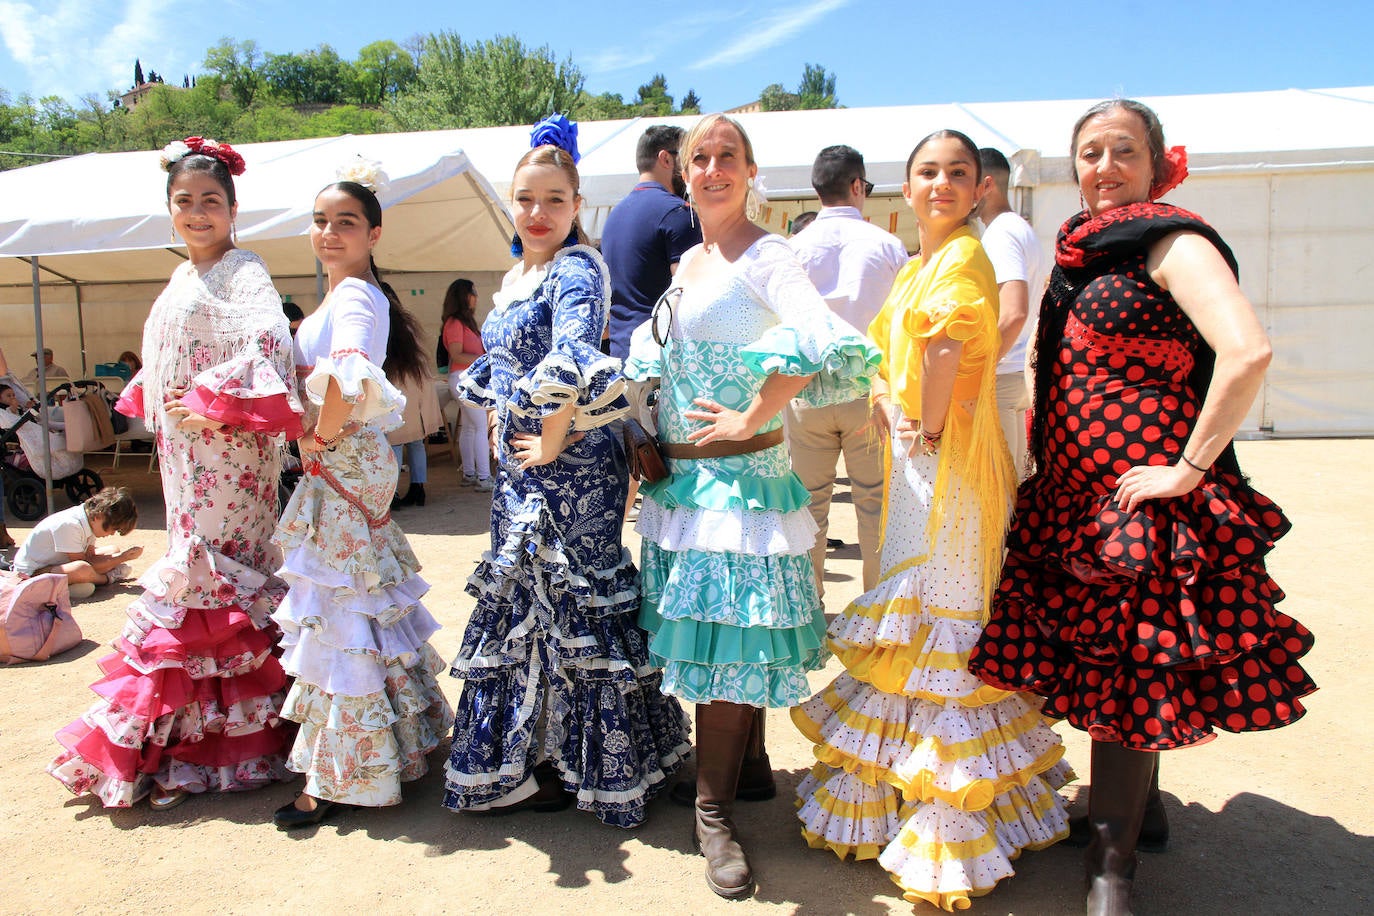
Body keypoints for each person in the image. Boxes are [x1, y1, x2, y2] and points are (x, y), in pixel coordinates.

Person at [967, 100, 1316, 915]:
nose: (1104, 166)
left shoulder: (1173, 242)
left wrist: (1186, 470)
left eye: (1123, 151)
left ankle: (1109, 866)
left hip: (1142, 509)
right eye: (1089, 153)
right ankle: (1140, 809)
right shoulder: (1086, 253)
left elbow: (1247, 351)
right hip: (1078, 500)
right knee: (1106, 668)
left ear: (1159, 164)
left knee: (1127, 670)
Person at [792, 129, 1071, 909]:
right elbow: (886, 351)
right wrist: (888, 401)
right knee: (926, 612)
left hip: (949, 464)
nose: (942, 184)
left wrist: (934, 423)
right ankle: (918, 795)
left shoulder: (962, 259)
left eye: (957, 173)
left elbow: (946, 346)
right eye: (928, 172)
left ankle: (946, 813)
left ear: (979, 186)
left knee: (939, 616)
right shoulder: (917, 263)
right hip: (924, 457)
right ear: (904, 189)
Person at [627, 113, 879, 899]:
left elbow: (820, 337)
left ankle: (713, 815)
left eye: (725, 157)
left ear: (751, 170)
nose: (710, 170)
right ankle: (752, 770)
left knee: (731, 643)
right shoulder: (691, 257)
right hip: (683, 483)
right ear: (683, 170)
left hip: (738, 483)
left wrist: (757, 413)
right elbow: (659, 350)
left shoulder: (768, 253)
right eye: (698, 158)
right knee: (726, 639)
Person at [443, 115, 689, 828]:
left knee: (574, 602)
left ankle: (597, 762)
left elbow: (578, 355)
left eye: (553, 200)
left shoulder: (578, 268)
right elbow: (507, 365)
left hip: (572, 467)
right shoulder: (519, 273)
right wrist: (505, 423)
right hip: (525, 469)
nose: (537, 213)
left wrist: (550, 439)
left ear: (576, 205)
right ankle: (541, 754)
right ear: (510, 204)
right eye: (525, 199)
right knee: (530, 606)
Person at [49, 135, 303, 810]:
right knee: (195, 568)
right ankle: (195, 733)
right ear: (169, 210)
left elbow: (270, 340)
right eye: (185, 202)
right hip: (186, 461)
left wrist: (208, 405)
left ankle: (239, 735)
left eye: (211, 202)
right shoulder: (181, 277)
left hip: (227, 454)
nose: (198, 213)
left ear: (234, 209)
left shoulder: (243, 269)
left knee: (221, 574)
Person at [270, 170, 455, 830]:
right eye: (321, 219)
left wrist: (314, 435)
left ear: (374, 234)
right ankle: (396, 747)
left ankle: (344, 775)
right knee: (357, 607)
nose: (329, 231)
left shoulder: (353, 298)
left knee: (344, 611)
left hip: (343, 463)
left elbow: (349, 378)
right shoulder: (345, 296)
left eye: (345, 221)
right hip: (346, 463)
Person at [788, 144, 909, 595]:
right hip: (871, 390)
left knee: (808, 507)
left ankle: (808, 613)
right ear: (857, 186)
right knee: (877, 508)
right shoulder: (889, 246)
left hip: (805, 388)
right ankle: (877, 617)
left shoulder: (793, 249)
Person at [600, 124, 701, 362]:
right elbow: (690, 296)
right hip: (660, 362)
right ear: (666, 158)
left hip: (620, 357)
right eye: (685, 159)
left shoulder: (614, 216)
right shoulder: (677, 212)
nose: (690, 169)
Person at [977, 147, 1046, 479]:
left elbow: (1014, 312)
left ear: (986, 184)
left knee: (998, 488)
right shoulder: (1016, 227)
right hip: (1015, 371)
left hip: (1002, 372)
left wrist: (980, 367)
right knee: (1013, 483)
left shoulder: (1000, 234)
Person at [11, 486, 141, 599]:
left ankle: (81, 583)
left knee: (112, 550)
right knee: (82, 569)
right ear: (99, 516)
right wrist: (122, 558)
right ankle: (108, 578)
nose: (112, 533)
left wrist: (118, 557)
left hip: (55, 564)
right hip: (31, 575)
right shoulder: (70, 524)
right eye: (113, 529)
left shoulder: (89, 519)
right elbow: (86, 564)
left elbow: (89, 557)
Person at [385, 303, 442, 508]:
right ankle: (418, 488)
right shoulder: (409, 326)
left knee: (396, 441)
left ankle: (392, 494)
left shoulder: (382, 323)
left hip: (395, 384)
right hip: (415, 385)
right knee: (416, 442)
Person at [439, 278, 492, 490]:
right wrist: (485, 358)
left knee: (470, 428)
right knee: (480, 426)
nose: (476, 298)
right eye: (473, 293)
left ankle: (471, 473)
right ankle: (484, 476)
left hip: (464, 378)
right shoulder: (454, 323)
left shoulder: (462, 322)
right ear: (464, 296)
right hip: (463, 378)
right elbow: (456, 354)